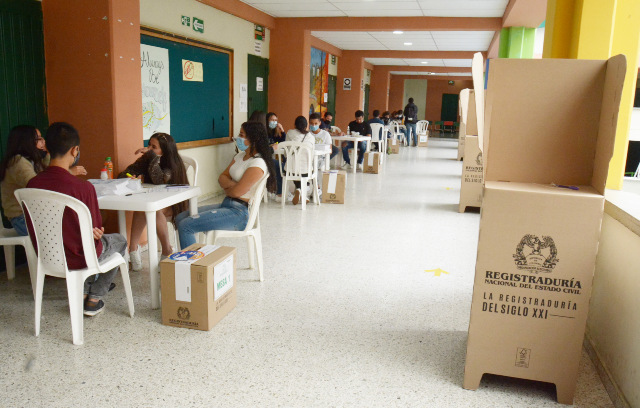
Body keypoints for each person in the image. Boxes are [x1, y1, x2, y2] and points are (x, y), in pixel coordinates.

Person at [27, 122, 126, 316]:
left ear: (46, 147)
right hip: (79, 256)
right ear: (75, 150)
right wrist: (94, 231)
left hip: (47, 256)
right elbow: (97, 230)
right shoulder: (83, 188)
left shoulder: (32, 184)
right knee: (120, 241)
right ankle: (94, 297)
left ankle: (81, 293)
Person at [175, 122, 275, 247]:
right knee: (180, 217)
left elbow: (235, 192)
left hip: (239, 213)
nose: (238, 138)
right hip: (226, 204)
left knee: (186, 225)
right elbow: (222, 177)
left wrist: (229, 189)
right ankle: (190, 256)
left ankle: (192, 264)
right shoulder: (240, 156)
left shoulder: (258, 163)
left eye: (241, 135)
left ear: (253, 139)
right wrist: (233, 186)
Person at [0, 125, 86, 236]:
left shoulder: (31, 160)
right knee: (70, 230)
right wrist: (69, 172)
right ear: (27, 141)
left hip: (34, 214)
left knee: (73, 224)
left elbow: (46, 171)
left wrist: (51, 153)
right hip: (22, 218)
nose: (43, 142)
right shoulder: (18, 162)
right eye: (39, 139)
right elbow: (40, 185)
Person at [119, 133, 188, 270]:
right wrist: (129, 176)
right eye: (149, 145)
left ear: (164, 150)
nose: (149, 148)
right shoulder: (147, 159)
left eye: (154, 147)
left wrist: (151, 156)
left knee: (153, 209)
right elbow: (123, 174)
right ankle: (133, 249)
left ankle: (166, 248)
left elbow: (160, 180)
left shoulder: (172, 162)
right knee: (143, 207)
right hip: (152, 200)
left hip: (174, 203)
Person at [286, 116, 315, 205]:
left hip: (291, 170)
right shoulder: (311, 137)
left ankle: (299, 189)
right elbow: (312, 154)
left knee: (294, 168)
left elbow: (286, 152)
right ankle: (302, 190)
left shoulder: (290, 133)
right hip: (306, 170)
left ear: (295, 125)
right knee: (306, 171)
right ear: (306, 126)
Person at [266, 112, 287, 202]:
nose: (274, 122)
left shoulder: (275, 132)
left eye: (276, 120)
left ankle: (281, 190)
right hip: (265, 158)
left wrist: (282, 130)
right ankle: (279, 192)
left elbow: (283, 141)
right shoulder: (263, 132)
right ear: (267, 121)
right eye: (272, 120)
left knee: (284, 162)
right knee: (280, 166)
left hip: (272, 156)